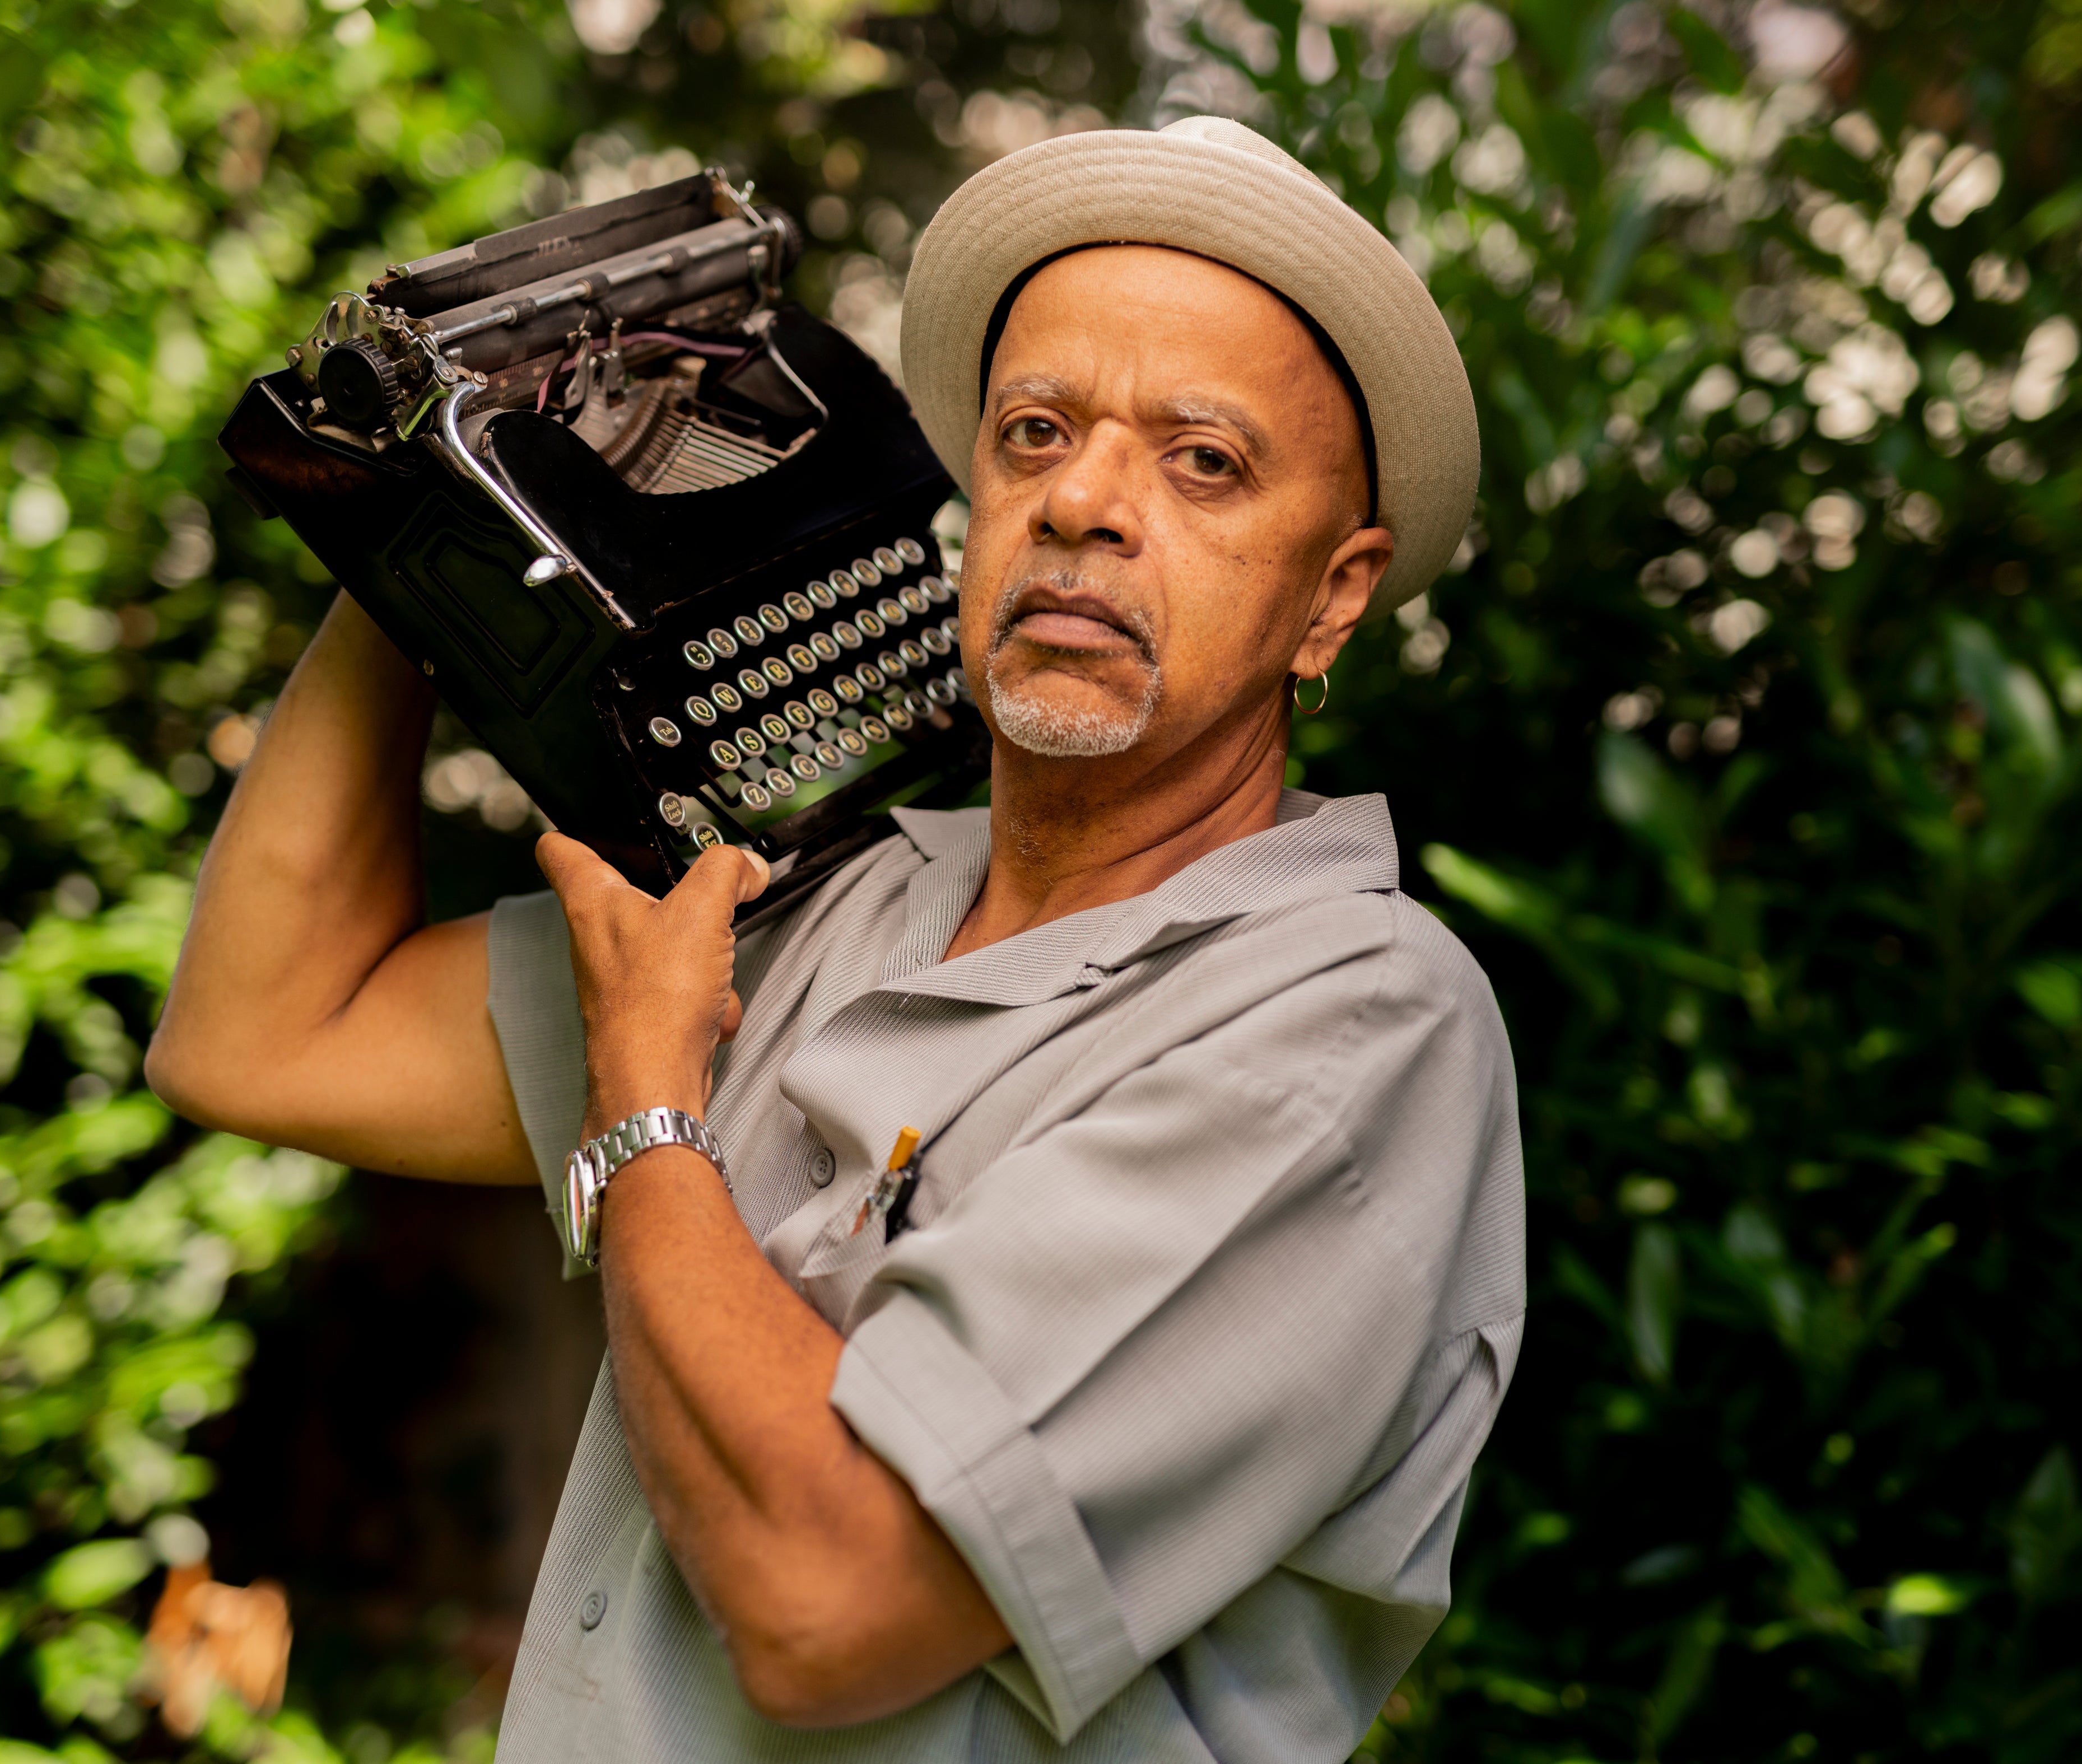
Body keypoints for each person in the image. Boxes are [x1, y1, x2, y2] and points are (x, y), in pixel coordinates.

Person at [148, 116, 1525, 1759]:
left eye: (1202, 460)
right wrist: (422, 514)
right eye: (1033, 432)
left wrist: (647, 1110)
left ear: (1334, 597)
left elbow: (825, 1607)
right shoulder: (833, 895)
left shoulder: (1351, 1024)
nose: (1083, 499)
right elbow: (260, 1035)